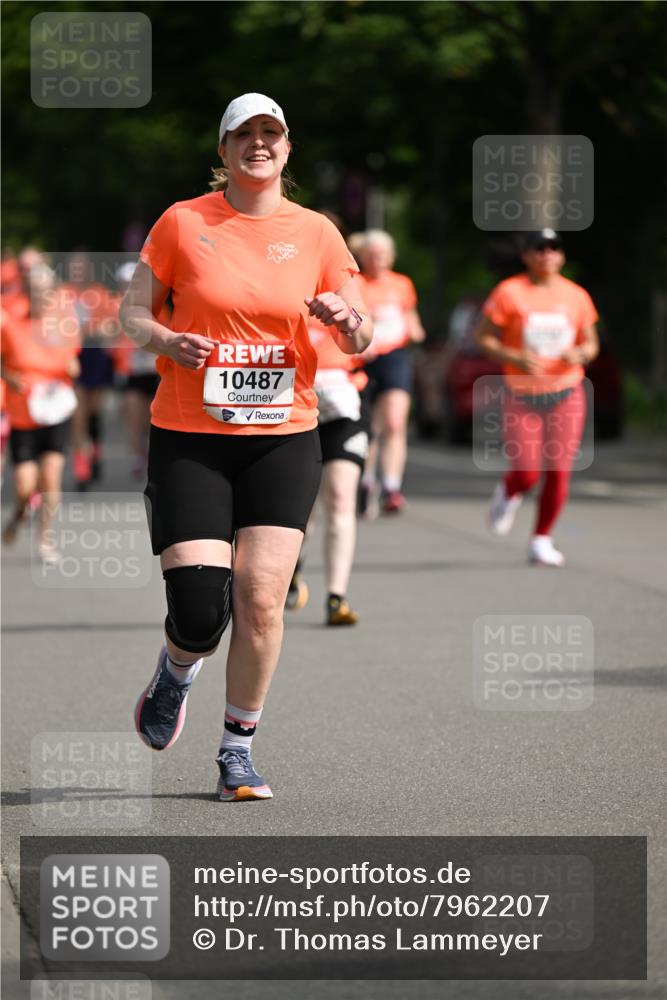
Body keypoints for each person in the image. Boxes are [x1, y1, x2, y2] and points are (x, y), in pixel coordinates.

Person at [120, 93, 372, 801]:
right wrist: (169, 341)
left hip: (283, 438)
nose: (258, 144)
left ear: (287, 149)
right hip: (191, 437)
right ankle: (176, 670)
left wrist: (345, 317)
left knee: (261, 602)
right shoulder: (183, 221)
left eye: (271, 133)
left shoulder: (317, 232)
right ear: (224, 148)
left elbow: (363, 336)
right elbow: (131, 313)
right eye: (244, 134)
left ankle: (237, 751)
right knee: (202, 610)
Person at [474, 227, 599, 567]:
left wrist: (581, 353)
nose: (547, 254)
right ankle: (510, 490)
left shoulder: (576, 296)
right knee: (528, 471)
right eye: (539, 248)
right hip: (522, 393)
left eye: (553, 248)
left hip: (566, 391)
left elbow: (591, 342)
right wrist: (514, 357)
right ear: (526, 255)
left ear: (561, 255)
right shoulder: (510, 292)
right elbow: (483, 337)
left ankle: (541, 538)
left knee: (559, 470)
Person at [286, 214, 369, 626]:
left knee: (340, 498)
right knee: (302, 504)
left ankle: (337, 595)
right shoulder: (280, 278)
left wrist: (346, 319)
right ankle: (290, 567)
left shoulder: (350, 284)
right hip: (289, 403)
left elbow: (364, 339)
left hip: (343, 404)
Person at [1, 262, 80, 562]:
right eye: (34, 291)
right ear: (26, 292)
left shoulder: (64, 322)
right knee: (23, 485)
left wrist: (73, 366)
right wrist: (8, 377)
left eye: (45, 292)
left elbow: (73, 359)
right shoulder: (10, 323)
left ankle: (45, 539)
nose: (40, 297)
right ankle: (19, 514)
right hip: (23, 414)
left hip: (56, 410)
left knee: (51, 478)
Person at [356, 229, 425, 515]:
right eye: (372, 255)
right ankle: (366, 481)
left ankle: (392, 487)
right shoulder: (355, 284)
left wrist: (416, 332)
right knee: (370, 426)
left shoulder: (402, 284)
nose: (377, 260)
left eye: (383, 255)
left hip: (395, 356)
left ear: (391, 257)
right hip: (362, 358)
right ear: (363, 257)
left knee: (395, 422)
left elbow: (412, 321)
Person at [62, 251, 117, 489]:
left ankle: (95, 453)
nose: (79, 271)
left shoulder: (99, 293)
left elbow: (112, 325)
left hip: (95, 355)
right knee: (78, 414)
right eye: (75, 267)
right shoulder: (63, 294)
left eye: (82, 267)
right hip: (72, 354)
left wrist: (97, 330)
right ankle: (81, 469)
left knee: (93, 412)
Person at [111, 262, 163, 479]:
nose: (127, 286)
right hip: (131, 371)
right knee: (133, 415)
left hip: (155, 369)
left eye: (131, 282)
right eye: (124, 283)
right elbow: (108, 341)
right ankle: (137, 454)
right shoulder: (114, 305)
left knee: (154, 416)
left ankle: (153, 452)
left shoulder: (156, 303)